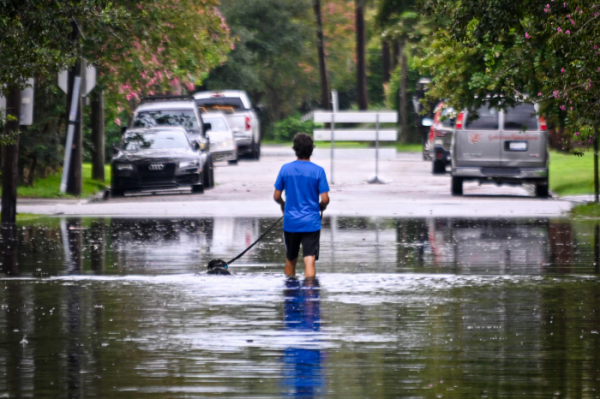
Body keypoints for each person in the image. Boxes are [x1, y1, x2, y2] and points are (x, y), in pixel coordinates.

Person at [274, 133, 330, 278]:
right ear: (311, 150)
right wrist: (321, 207)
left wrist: (283, 204)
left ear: (295, 149)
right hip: (311, 222)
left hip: (291, 222)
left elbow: (276, 196)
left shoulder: (285, 169)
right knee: (309, 260)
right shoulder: (318, 171)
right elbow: (325, 199)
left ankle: (290, 292)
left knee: (290, 260)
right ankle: (310, 295)